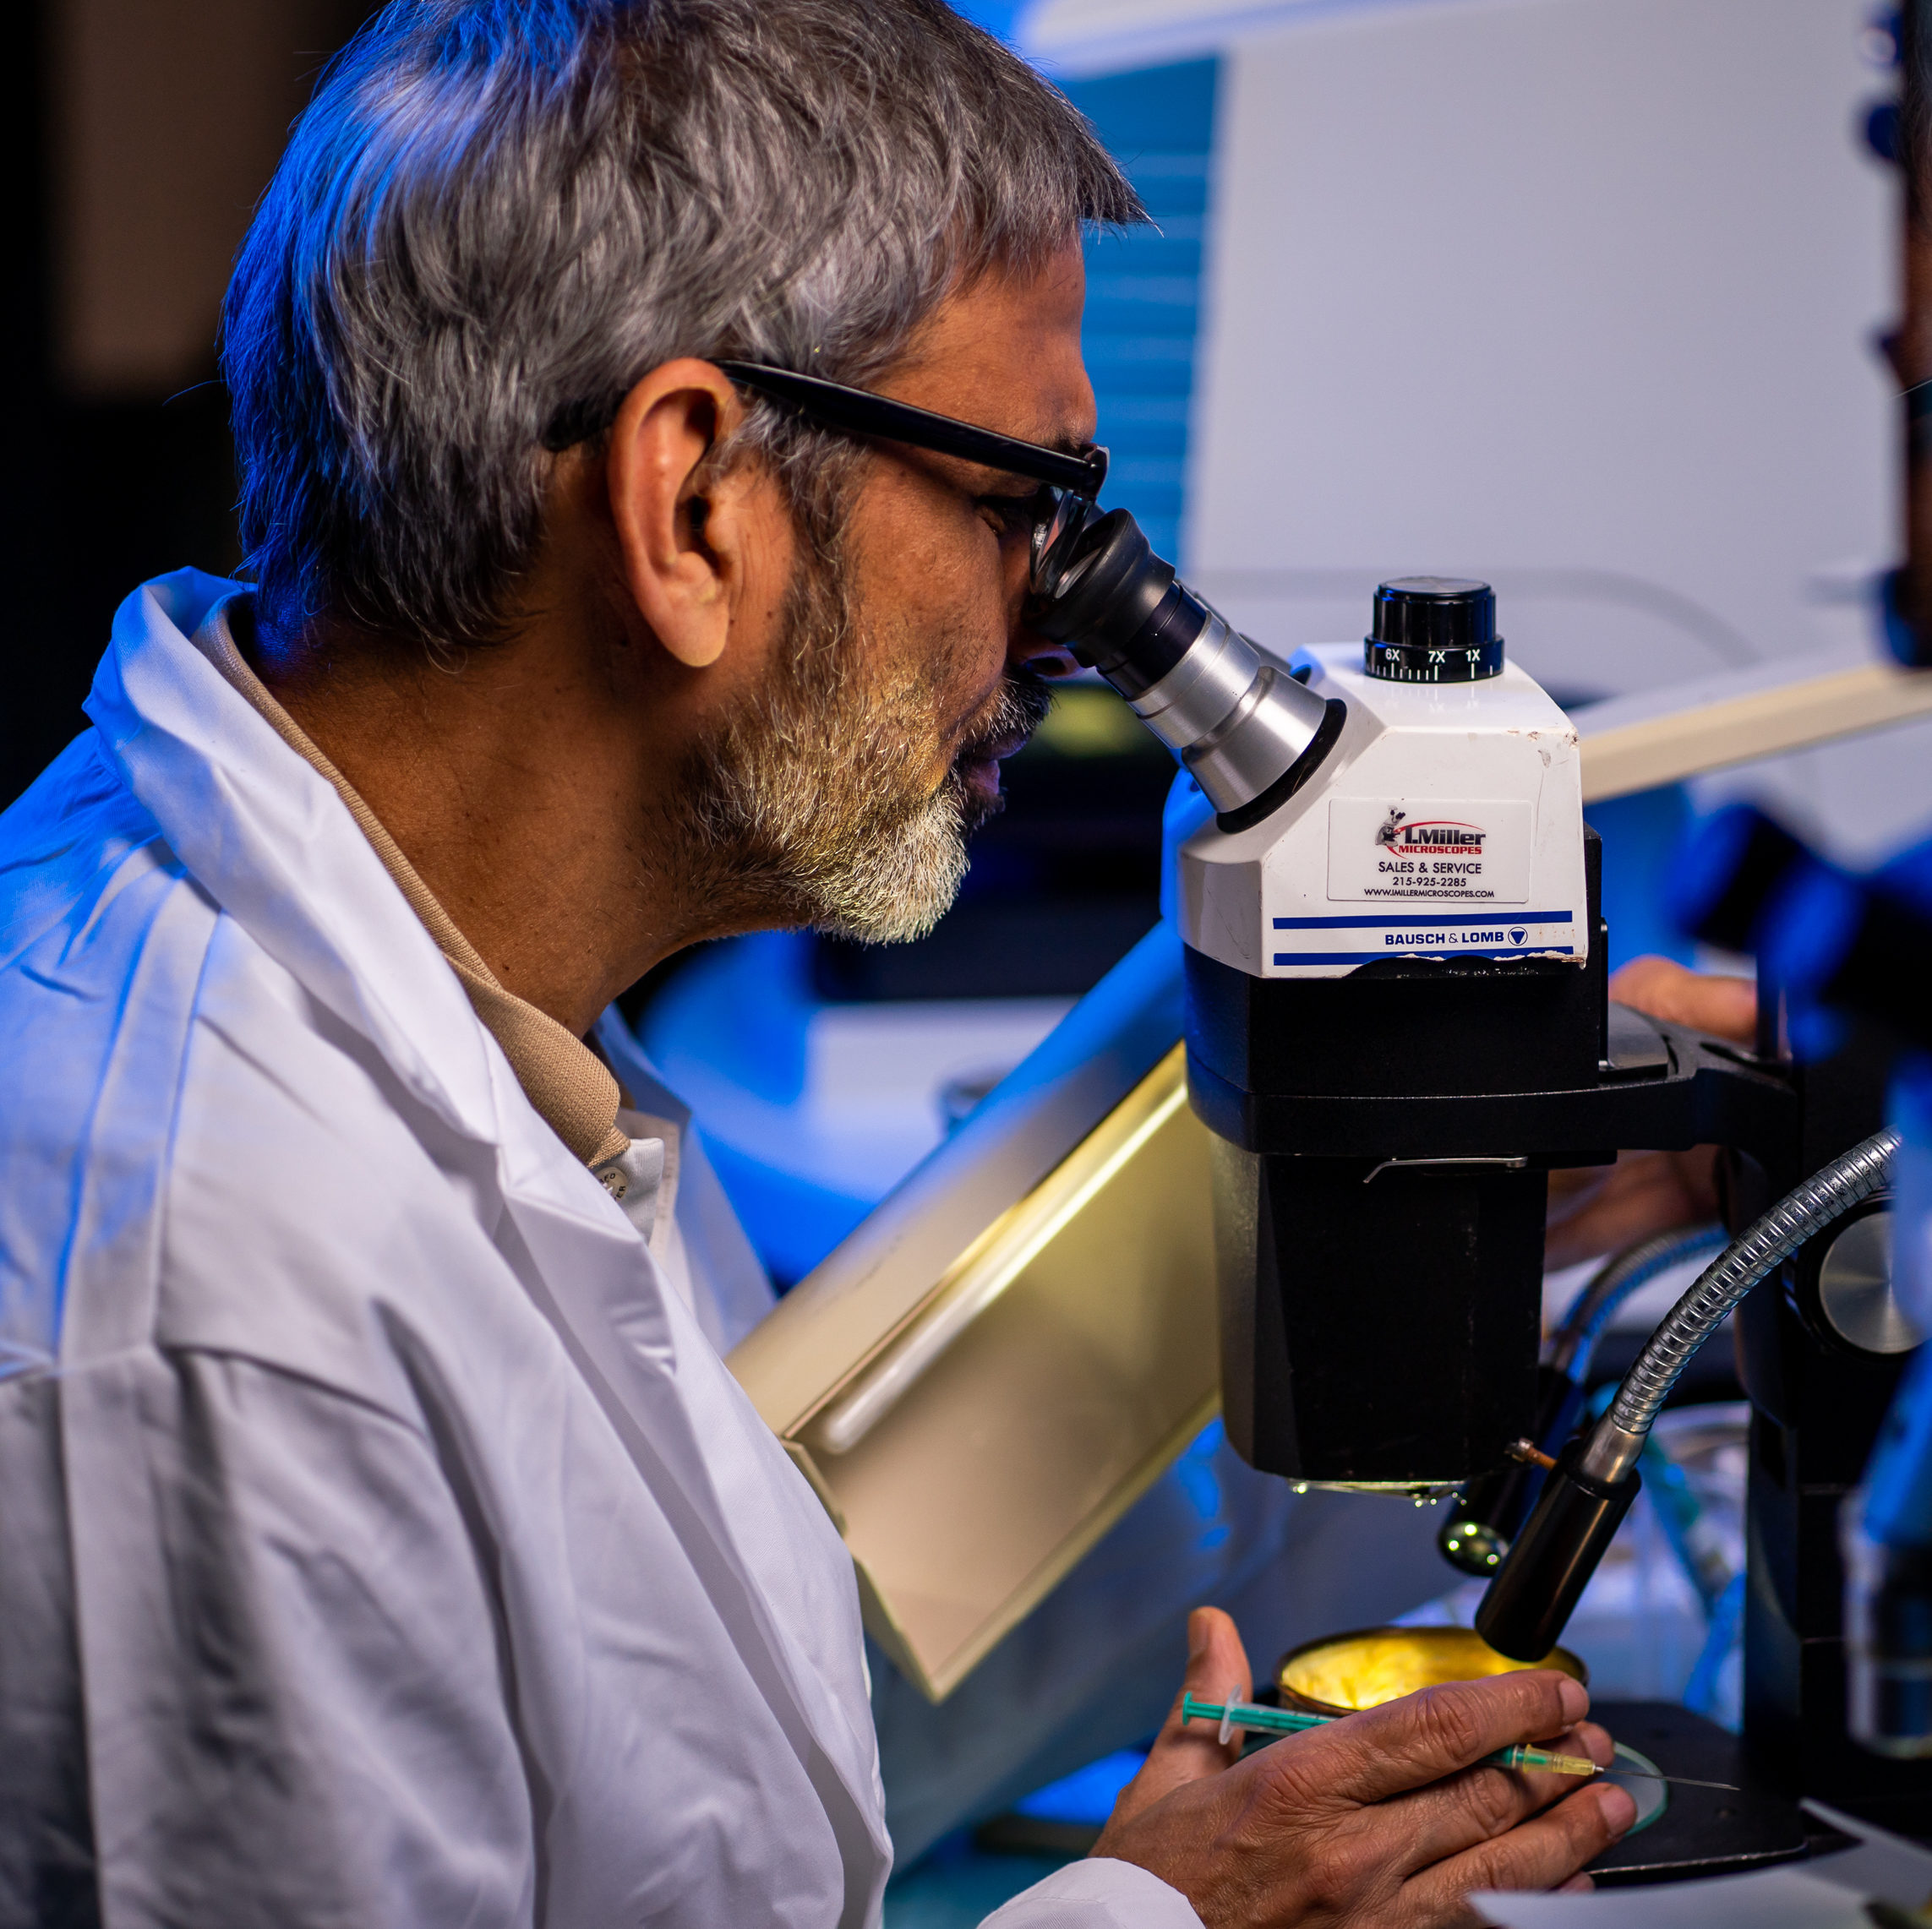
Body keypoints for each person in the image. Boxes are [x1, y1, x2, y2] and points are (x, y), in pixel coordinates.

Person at [0, 3, 1639, 1922]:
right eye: (1019, 503)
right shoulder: (220, 1300)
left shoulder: (474, 1009)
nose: (1055, 618)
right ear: (691, 502)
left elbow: (741, 1776)